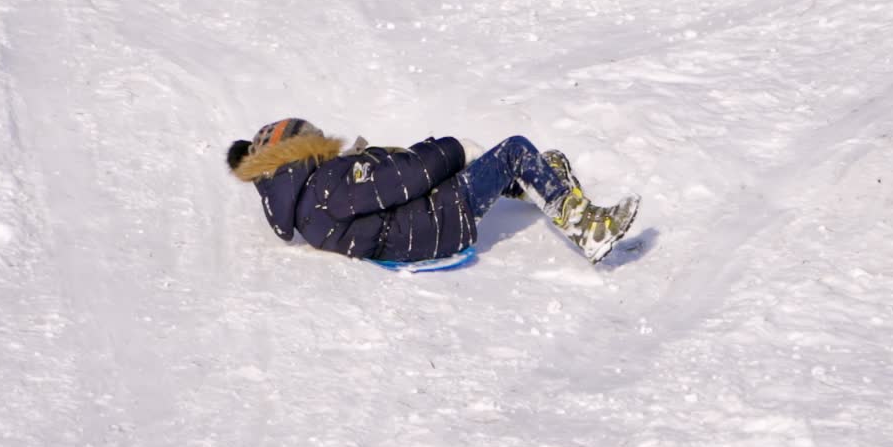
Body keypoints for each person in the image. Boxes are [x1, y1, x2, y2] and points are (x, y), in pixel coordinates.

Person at [226, 118, 639, 265]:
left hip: (414, 222)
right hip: (432, 225)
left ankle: (536, 183)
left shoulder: (305, 199)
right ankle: (587, 228)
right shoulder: (326, 185)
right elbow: (407, 176)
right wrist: (455, 149)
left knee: (519, 164)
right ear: (302, 150)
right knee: (514, 149)